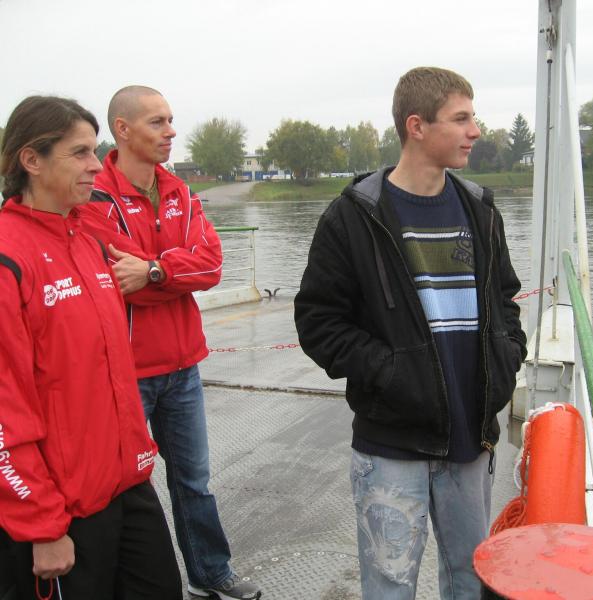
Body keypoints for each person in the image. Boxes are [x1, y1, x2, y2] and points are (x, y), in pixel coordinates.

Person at [294, 67, 527, 599]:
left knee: (472, 580)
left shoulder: (480, 209)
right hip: (391, 444)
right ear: (417, 126)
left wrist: (507, 357)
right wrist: (391, 373)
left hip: (472, 438)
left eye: (474, 117)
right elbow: (319, 322)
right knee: (390, 585)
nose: (475, 131)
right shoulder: (353, 216)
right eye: (461, 119)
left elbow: (504, 299)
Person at [78, 86, 261, 600]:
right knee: (123, 486)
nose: (171, 131)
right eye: (157, 122)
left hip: (182, 367)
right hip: (125, 373)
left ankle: (210, 573)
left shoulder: (180, 190)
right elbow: (119, 277)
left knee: (194, 481)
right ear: (122, 129)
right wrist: (168, 272)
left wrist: (156, 270)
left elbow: (212, 265)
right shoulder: (94, 197)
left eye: (171, 120)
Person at [0, 95, 182, 599]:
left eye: (95, 150)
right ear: (32, 160)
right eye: (79, 153)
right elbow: (5, 411)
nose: (96, 166)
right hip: (60, 510)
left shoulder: (88, 241)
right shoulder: (9, 258)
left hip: (127, 484)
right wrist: (40, 524)